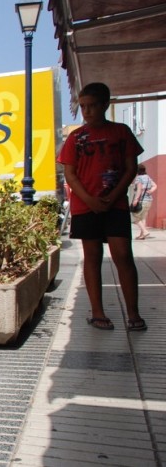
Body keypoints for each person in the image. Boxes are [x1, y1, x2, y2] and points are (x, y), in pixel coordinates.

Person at [58, 82, 147, 332]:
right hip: (86, 207)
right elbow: (70, 174)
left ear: (105, 105)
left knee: (123, 256)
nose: (86, 111)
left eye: (92, 106)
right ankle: (98, 312)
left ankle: (133, 313)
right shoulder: (75, 137)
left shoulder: (121, 132)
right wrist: (90, 200)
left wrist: (113, 196)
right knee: (92, 257)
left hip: (115, 205)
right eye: (83, 106)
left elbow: (131, 168)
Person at [131, 164, 158, 239]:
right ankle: (142, 235)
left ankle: (145, 231)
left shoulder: (138, 178)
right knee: (143, 218)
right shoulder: (148, 177)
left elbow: (139, 190)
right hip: (149, 200)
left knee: (135, 217)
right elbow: (155, 185)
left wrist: (136, 200)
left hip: (141, 201)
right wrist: (151, 191)